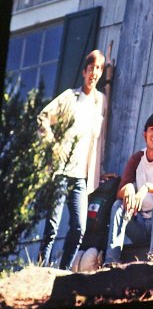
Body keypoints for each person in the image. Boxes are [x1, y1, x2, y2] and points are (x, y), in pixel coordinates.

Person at [37, 49, 107, 270]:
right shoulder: (70, 98)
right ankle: (40, 269)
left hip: (80, 177)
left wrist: (99, 169)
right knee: (52, 225)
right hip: (60, 172)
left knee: (79, 227)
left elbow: (98, 140)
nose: (94, 73)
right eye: (91, 68)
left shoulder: (100, 102)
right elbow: (43, 118)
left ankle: (63, 272)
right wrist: (53, 146)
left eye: (98, 69)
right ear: (84, 71)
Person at [104, 112, 153, 263]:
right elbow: (119, 192)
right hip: (139, 224)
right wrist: (129, 189)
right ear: (145, 134)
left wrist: (146, 187)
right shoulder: (137, 158)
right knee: (118, 205)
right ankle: (111, 261)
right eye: (151, 129)